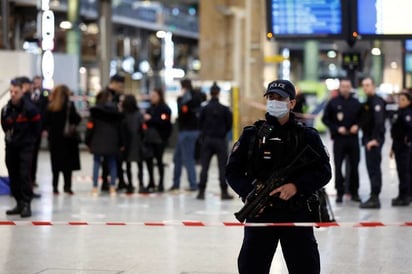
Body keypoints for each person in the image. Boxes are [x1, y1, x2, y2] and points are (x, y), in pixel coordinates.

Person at [226, 79, 331, 274]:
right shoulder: (252, 136)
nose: (274, 102)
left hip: (296, 212)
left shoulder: (307, 136)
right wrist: (251, 191)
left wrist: (297, 186)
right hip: (260, 213)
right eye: (271, 97)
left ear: (292, 103)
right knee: (251, 268)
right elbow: (232, 172)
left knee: (305, 268)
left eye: (280, 98)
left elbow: (324, 172)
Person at [1, 77, 41, 217]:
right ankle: (18, 203)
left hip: (25, 147)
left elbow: (37, 128)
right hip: (11, 147)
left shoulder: (30, 109)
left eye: (15, 92)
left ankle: (26, 204)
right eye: (11, 91)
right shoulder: (6, 109)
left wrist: (29, 141)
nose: (12, 94)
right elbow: (5, 126)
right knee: (14, 175)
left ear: (21, 92)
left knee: (24, 175)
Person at [322, 78, 362, 203]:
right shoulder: (333, 102)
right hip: (339, 140)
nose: (345, 88)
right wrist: (336, 128)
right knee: (338, 167)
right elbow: (325, 119)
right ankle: (339, 192)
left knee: (354, 167)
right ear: (340, 88)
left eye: (347, 86)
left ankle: (354, 192)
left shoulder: (356, 102)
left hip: (353, 139)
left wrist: (358, 125)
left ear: (350, 88)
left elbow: (364, 118)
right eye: (343, 86)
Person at [196, 82, 233, 200]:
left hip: (207, 140)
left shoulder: (204, 108)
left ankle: (201, 191)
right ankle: (224, 192)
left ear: (210, 93)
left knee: (204, 167)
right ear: (219, 93)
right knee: (222, 167)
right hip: (220, 140)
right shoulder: (225, 109)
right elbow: (229, 125)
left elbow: (199, 123)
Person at [44, 84, 82, 195]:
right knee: (67, 165)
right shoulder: (69, 105)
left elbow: (45, 122)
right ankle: (67, 187)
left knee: (55, 164)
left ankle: (55, 187)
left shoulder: (51, 106)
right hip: (68, 139)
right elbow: (76, 119)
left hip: (55, 140)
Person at [85, 90, 124, 196]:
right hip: (112, 139)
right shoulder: (116, 111)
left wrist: (87, 141)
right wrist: (121, 143)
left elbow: (90, 127)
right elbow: (120, 128)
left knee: (97, 162)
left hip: (97, 139)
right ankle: (112, 187)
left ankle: (94, 187)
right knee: (112, 163)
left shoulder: (95, 111)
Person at [169, 78, 203, 191]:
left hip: (187, 131)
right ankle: (176, 183)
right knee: (177, 158)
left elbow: (183, 113)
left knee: (188, 158)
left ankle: (193, 184)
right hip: (190, 131)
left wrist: (180, 101)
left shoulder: (187, 97)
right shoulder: (197, 96)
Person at [359, 77, 386, 209]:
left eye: (368, 85)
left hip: (373, 141)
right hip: (368, 139)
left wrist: (375, 140)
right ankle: (373, 195)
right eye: (364, 85)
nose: (365, 87)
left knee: (374, 169)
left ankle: (375, 198)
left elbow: (379, 122)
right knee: (371, 168)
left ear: (373, 86)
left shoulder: (377, 101)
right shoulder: (368, 101)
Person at [143, 87, 173, 192]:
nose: (152, 98)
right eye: (151, 96)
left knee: (159, 161)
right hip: (149, 139)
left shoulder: (165, 109)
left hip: (159, 139)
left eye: (154, 96)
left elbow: (164, 123)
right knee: (149, 161)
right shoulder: (150, 108)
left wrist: (151, 119)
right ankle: (151, 182)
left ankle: (160, 183)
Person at [102, 74, 126, 191]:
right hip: (108, 132)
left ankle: (120, 181)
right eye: (120, 86)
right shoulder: (106, 95)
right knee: (107, 159)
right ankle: (106, 182)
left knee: (118, 158)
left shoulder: (117, 96)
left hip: (117, 132)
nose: (122, 89)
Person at [389, 91, 412, 206]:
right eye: (399, 99)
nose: (400, 101)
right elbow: (396, 132)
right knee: (401, 171)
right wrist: (393, 147)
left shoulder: (408, 113)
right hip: (398, 145)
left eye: (403, 99)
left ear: (409, 101)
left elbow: (410, 129)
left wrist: (408, 140)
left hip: (404, 148)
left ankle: (405, 196)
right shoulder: (399, 112)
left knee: (405, 172)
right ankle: (402, 195)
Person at [120, 94, 146, 194]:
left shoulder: (123, 115)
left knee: (128, 165)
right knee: (140, 165)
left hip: (127, 143)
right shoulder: (139, 114)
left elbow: (121, 130)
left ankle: (130, 185)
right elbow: (143, 129)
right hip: (138, 142)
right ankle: (141, 184)